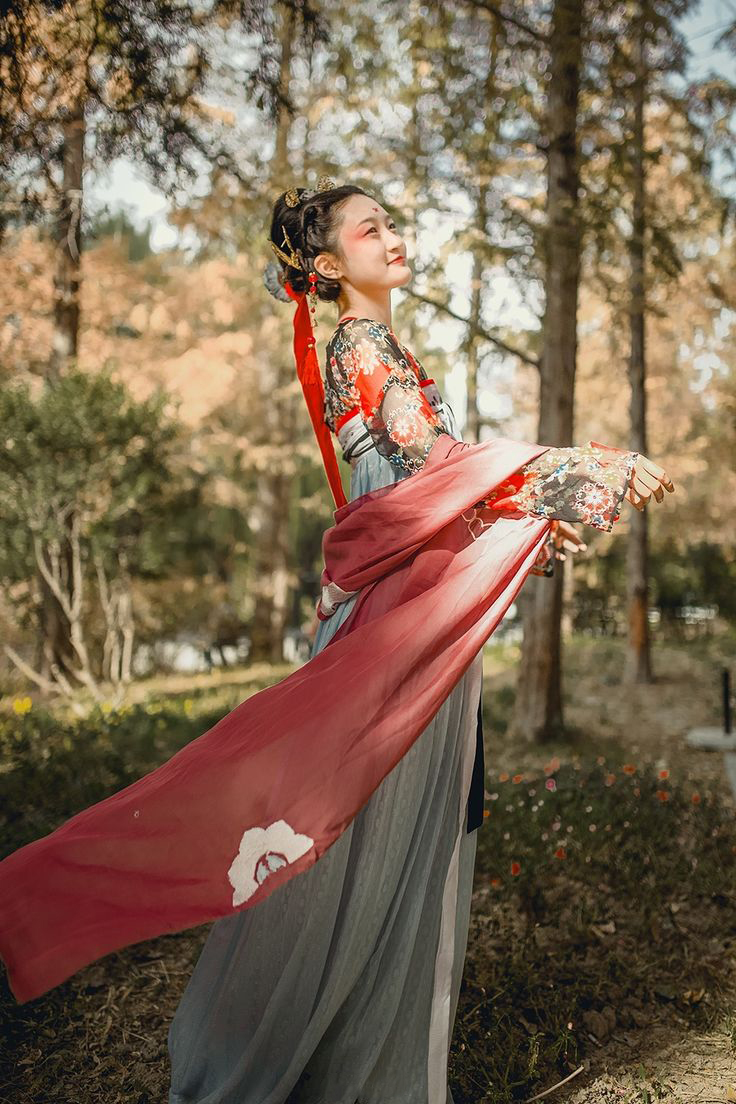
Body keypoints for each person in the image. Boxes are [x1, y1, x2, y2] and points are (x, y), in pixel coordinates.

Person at [0, 180, 673, 1104]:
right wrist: (575, 471)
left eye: (393, 221)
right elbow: (441, 471)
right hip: (397, 626)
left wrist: (520, 522)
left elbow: (429, 494)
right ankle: (348, 1065)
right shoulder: (360, 342)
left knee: (361, 824)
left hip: (409, 609)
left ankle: (359, 1059)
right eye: (372, 228)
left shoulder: (373, 346)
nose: (392, 237)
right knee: (357, 818)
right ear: (327, 264)